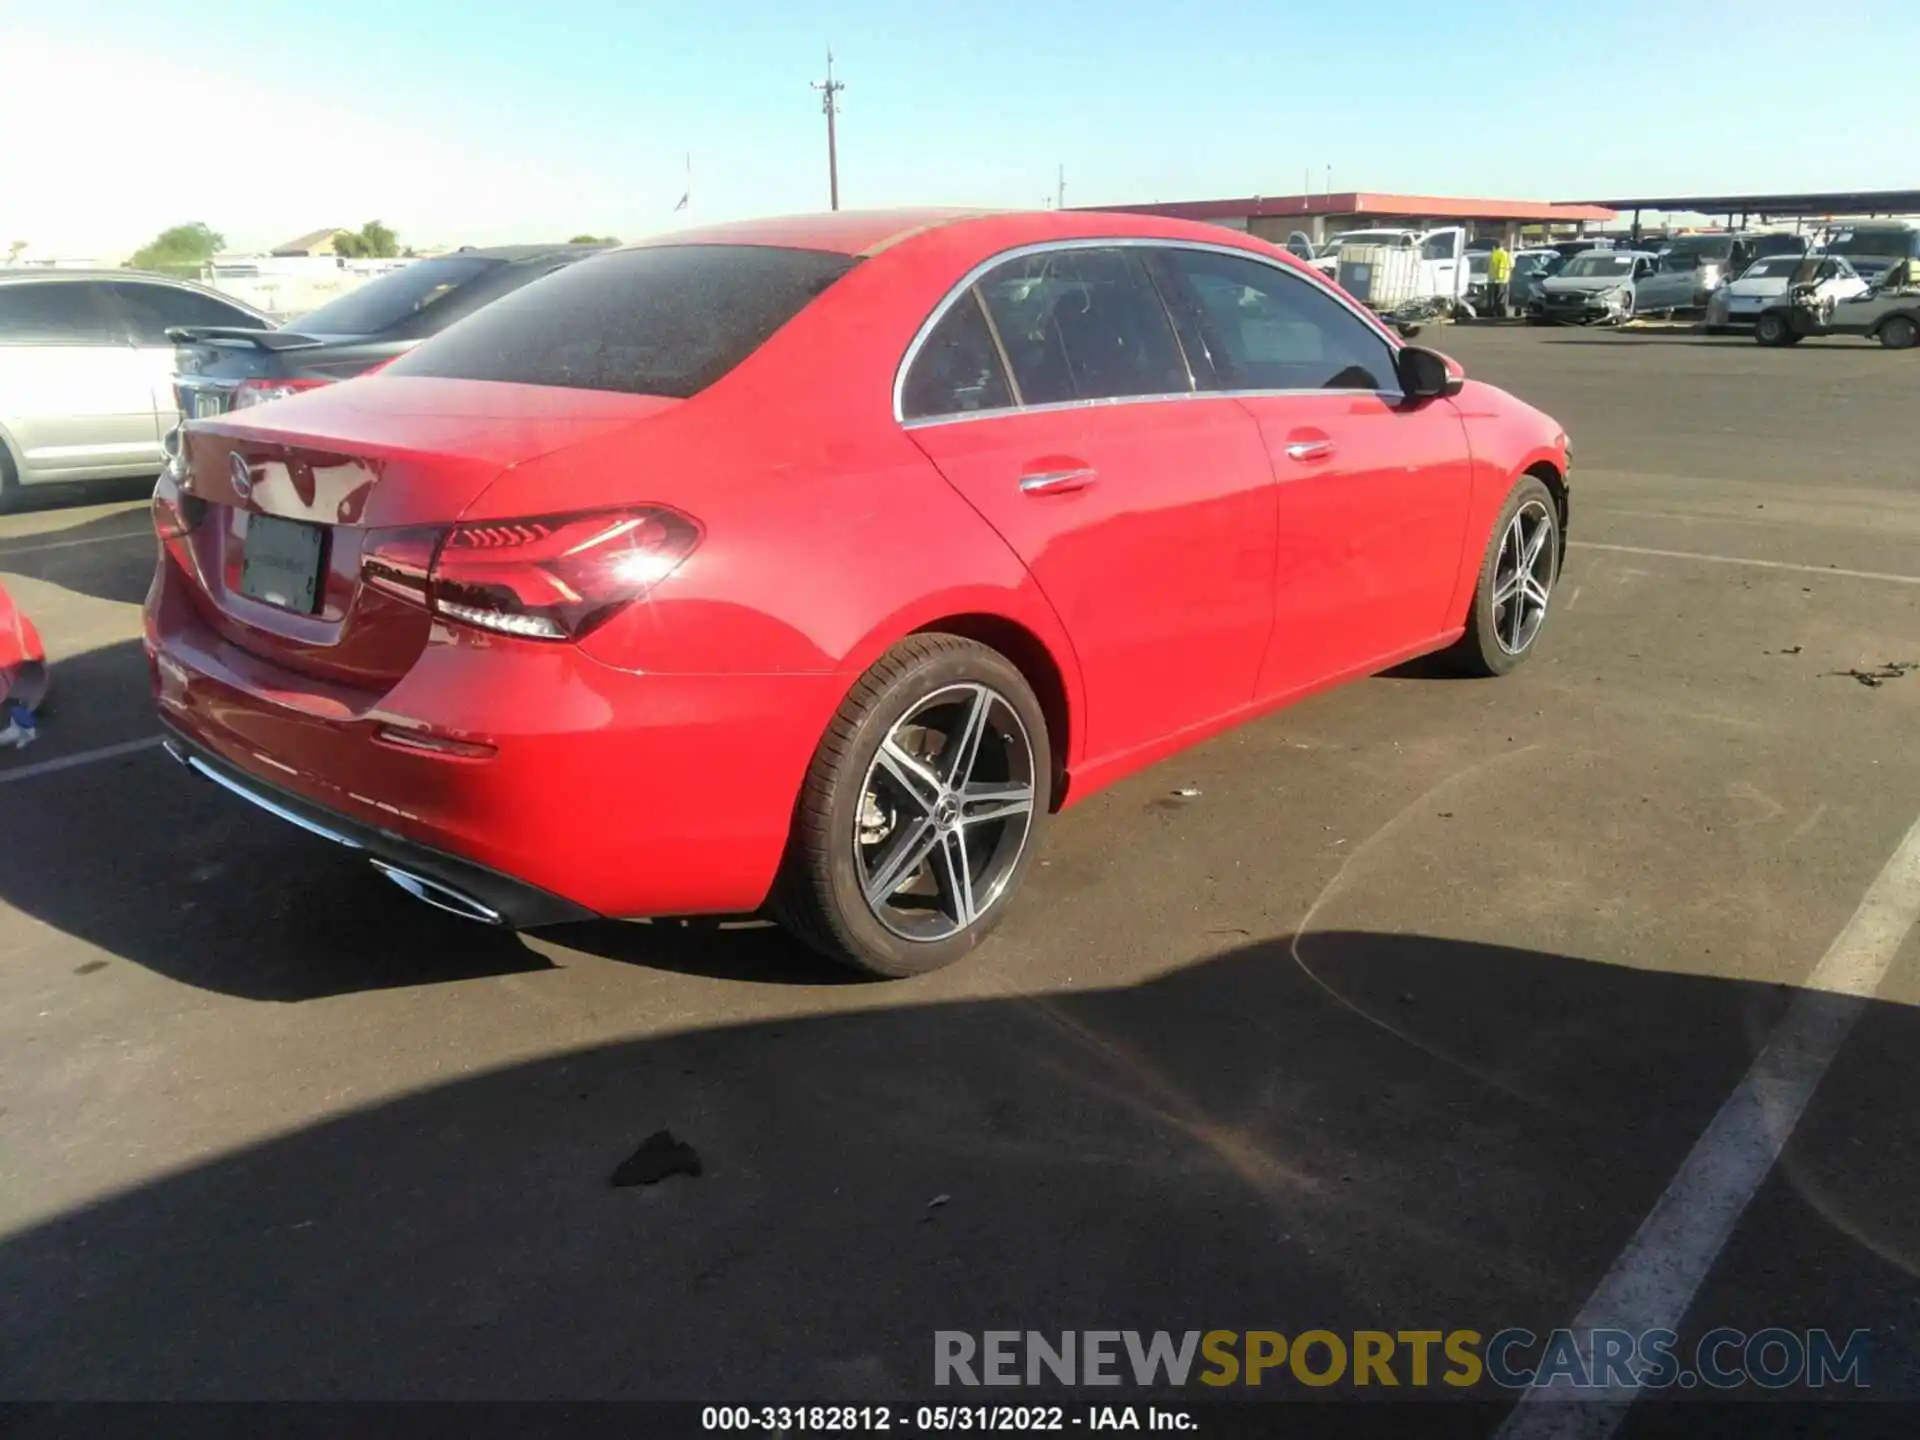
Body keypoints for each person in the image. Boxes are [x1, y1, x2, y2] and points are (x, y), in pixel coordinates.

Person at [1487, 241, 1513, 319]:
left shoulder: (1492, 255)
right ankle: (1501, 313)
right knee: (1502, 297)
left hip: (1492, 279)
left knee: (1493, 297)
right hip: (1503, 279)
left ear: (1495, 247)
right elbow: (1512, 265)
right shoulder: (1507, 254)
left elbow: (1488, 266)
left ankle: (1492, 312)